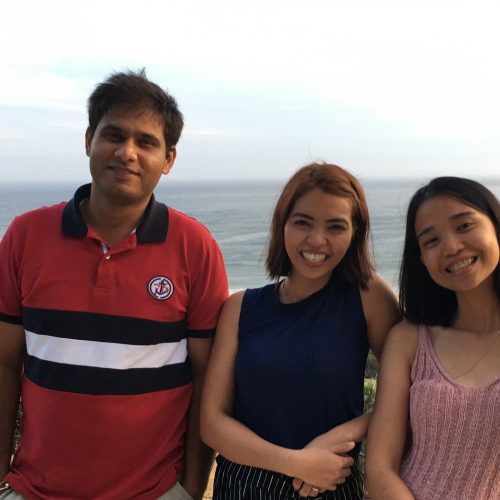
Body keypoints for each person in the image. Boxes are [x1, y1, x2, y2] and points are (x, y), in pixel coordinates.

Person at [0, 70, 228, 499]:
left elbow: (206, 379)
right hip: (34, 489)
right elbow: (4, 365)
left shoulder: (194, 247)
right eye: (113, 135)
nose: (126, 153)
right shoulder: (25, 236)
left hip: (155, 491)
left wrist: (191, 490)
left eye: (146, 142)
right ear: (88, 140)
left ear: (169, 160)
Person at [200, 163, 400, 499]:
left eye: (336, 227)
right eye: (302, 222)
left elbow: (410, 391)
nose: (316, 240)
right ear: (282, 225)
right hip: (243, 486)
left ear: (355, 234)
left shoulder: (368, 296)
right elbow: (212, 422)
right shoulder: (240, 308)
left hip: (327, 483)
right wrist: (296, 463)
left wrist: (343, 435)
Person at [365, 177, 500, 500]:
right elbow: (380, 467)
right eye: (431, 241)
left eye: (464, 225)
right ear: (421, 260)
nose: (452, 247)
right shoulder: (410, 339)